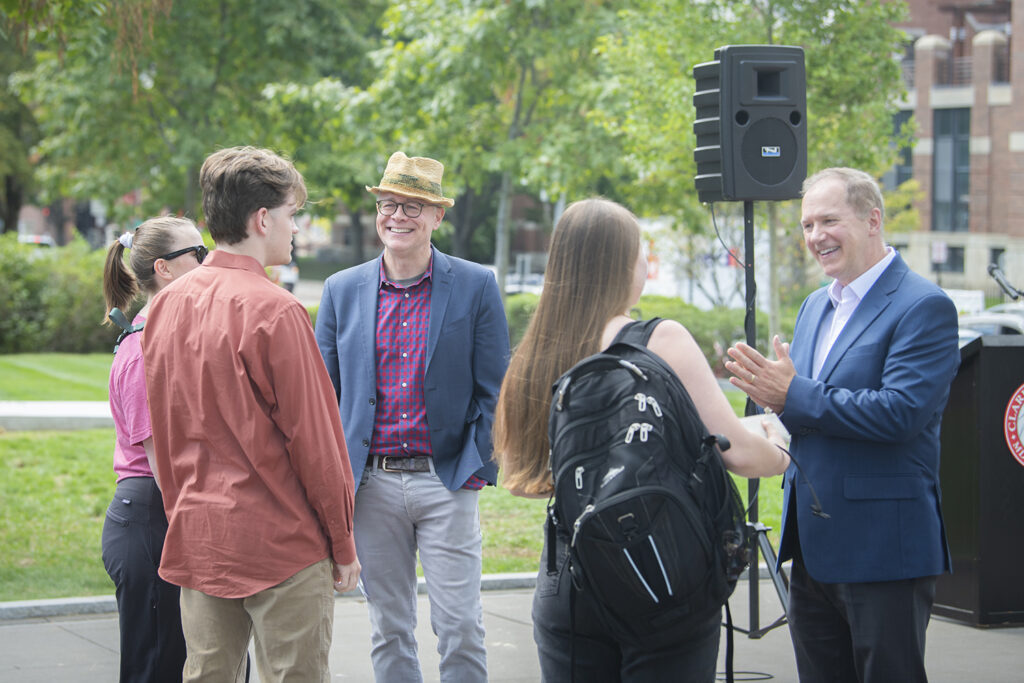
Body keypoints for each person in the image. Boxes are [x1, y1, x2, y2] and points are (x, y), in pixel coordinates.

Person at [491, 197, 789, 682]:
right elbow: (736, 452)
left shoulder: (536, 349)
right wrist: (780, 446)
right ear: (621, 265)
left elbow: (528, 474)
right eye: (640, 253)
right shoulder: (659, 338)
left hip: (568, 579)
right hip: (658, 572)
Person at [725, 167, 960, 683]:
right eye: (807, 225)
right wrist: (769, 412)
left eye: (829, 220)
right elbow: (805, 411)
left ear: (873, 220)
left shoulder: (925, 306)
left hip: (883, 548)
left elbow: (900, 412)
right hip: (811, 546)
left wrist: (792, 394)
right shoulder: (815, 306)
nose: (815, 237)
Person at [142, 146, 360, 682]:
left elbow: (165, 433)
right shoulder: (277, 310)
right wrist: (344, 542)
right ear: (262, 218)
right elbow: (317, 443)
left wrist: (184, 511)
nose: (294, 229)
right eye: (292, 214)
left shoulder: (167, 303)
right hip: (282, 545)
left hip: (201, 535)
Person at [315, 151, 510, 682]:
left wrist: (474, 469)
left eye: (413, 206)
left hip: (446, 481)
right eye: (389, 204)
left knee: (461, 626)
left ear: (437, 217)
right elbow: (321, 396)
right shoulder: (340, 290)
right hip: (371, 485)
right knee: (390, 628)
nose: (398, 216)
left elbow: (497, 389)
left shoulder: (475, 285)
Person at [101, 216, 204, 682]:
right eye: (198, 254)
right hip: (155, 515)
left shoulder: (164, 338)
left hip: (160, 515)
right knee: (160, 667)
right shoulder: (144, 352)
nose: (209, 262)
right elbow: (167, 470)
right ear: (163, 268)